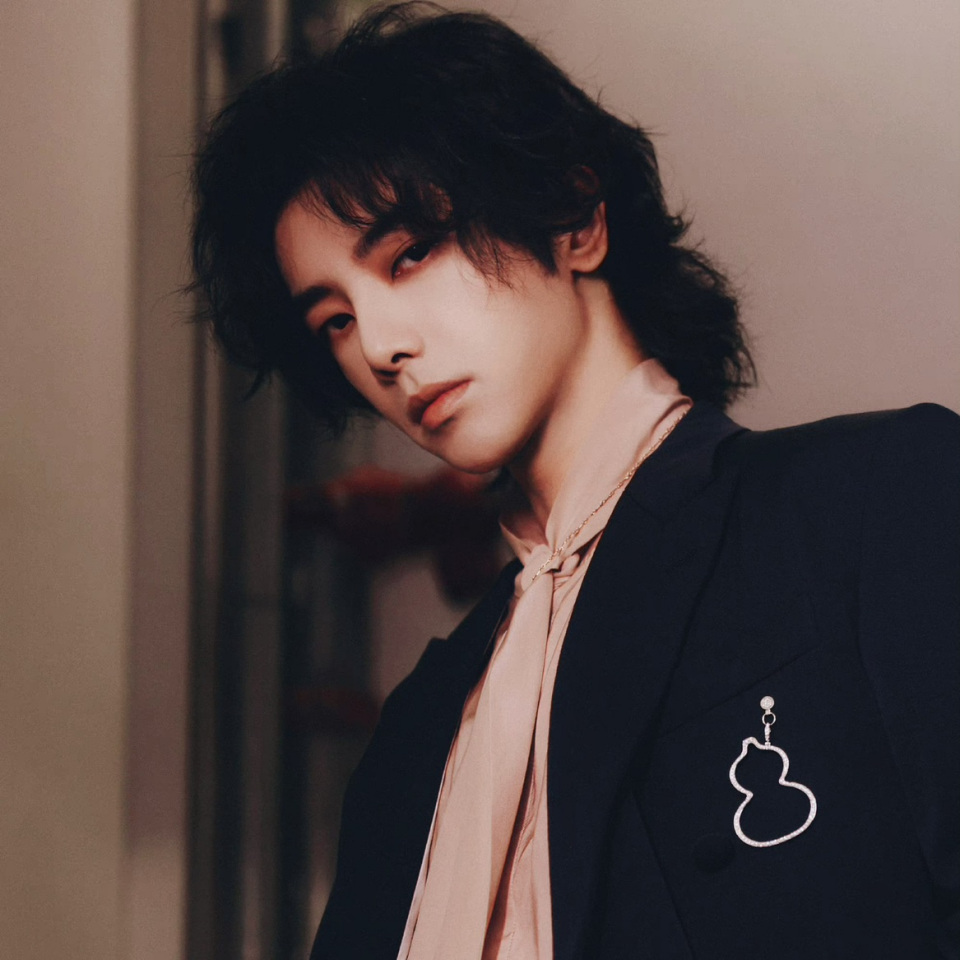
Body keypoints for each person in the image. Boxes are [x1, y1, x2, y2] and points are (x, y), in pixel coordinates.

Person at [191, 4, 960, 958]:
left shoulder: (870, 505)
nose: (381, 346)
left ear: (574, 217)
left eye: (411, 253)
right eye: (334, 320)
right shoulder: (418, 734)